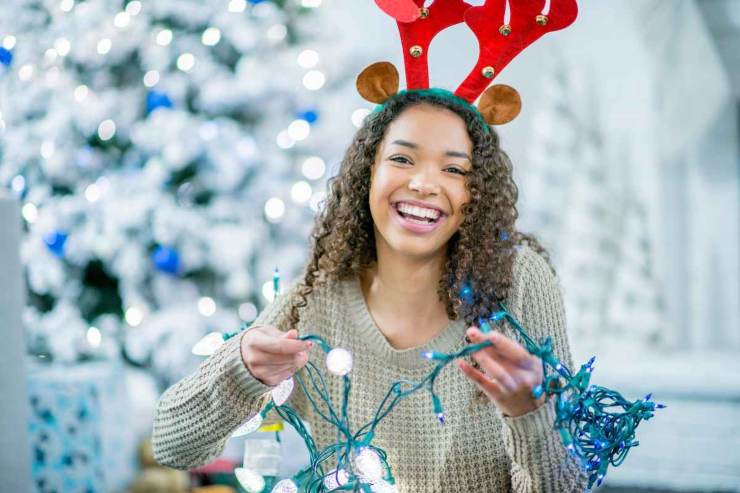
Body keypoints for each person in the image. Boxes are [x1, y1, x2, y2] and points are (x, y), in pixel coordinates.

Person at [152, 89, 589, 492]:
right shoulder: (319, 297)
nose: (423, 183)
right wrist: (241, 367)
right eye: (402, 159)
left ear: (476, 194)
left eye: (454, 169)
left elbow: (566, 484)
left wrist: (531, 414)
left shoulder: (518, 280)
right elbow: (172, 445)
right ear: (368, 173)